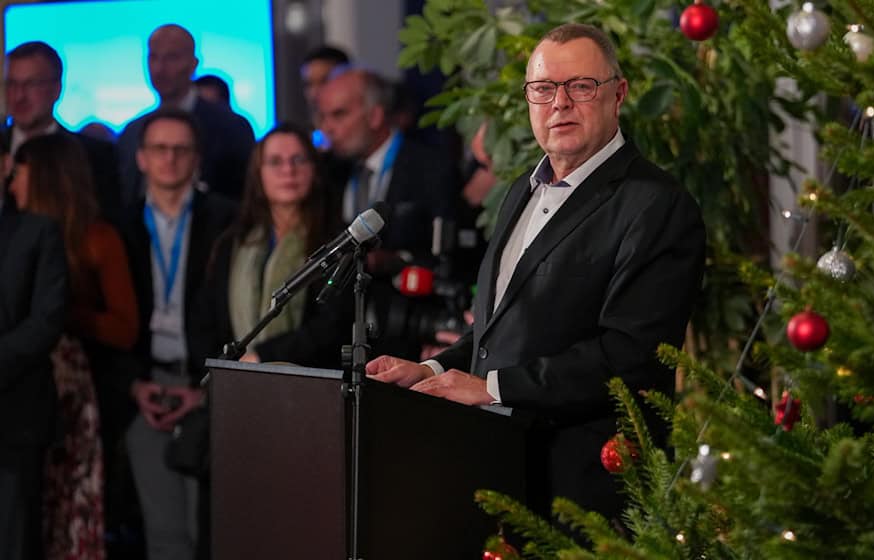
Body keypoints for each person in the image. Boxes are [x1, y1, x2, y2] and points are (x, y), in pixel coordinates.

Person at [366, 23, 706, 520]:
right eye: (544, 89)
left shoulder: (658, 205)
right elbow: (503, 329)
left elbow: (631, 356)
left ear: (619, 94)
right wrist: (435, 369)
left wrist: (493, 388)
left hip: (592, 490)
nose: (559, 103)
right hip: (502, 472)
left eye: (581, 86)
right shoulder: (522, 191)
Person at [9, 133, 140, 559]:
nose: (11, 182)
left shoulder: (98, 238)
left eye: (20, 173)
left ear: (45, 177)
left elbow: (125, 327)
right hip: (23, 377)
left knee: (65, 502)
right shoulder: (15, 236)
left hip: (71, 383)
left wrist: (56, 310)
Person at [118, 109, 235, 560]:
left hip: (210, 384)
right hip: (145, 385)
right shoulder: (116, 224)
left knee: (215, 530)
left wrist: (205, 388)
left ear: (197, 158)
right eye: (159, 149)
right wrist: (133, 384)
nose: (170, 159)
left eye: (180, 149)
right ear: (142, 158)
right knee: (163, 534)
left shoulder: (228, 219)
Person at [316, 67, 459, 359]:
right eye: (323, 117)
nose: (327, 128)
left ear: (375, 115)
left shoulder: (431, 168)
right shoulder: (331, 172)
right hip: (344, 337)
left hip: (412, 338)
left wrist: (397, 261)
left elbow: (453, 257)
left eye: (339, 114)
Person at [188, 123, 351, 369]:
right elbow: (205, 319)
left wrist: (263, 358)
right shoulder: (231, 241)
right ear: (258, 173)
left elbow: (332, 325)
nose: (288, 170)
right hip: (234, 384)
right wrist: (225, 366)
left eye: (298, 159)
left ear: (315, 171)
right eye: (275, 161)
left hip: (309, 384)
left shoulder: (339, 242)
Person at [0, 137, 68, 560]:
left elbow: (47, 321)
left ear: (5, 164)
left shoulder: (38, 232)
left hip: (12, 418)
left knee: (13, 541)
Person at [117, 24, 255, 205]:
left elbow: (246, 199)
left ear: (193, 65)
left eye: (171, 58)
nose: (159, 68)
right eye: (153, 57)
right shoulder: (132, 132)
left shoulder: (231, 128)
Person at [3, 41, 122, 226]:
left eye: (31, 84)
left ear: (57, 89)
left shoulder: (95, 156)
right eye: (12, 84)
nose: (19, 96)